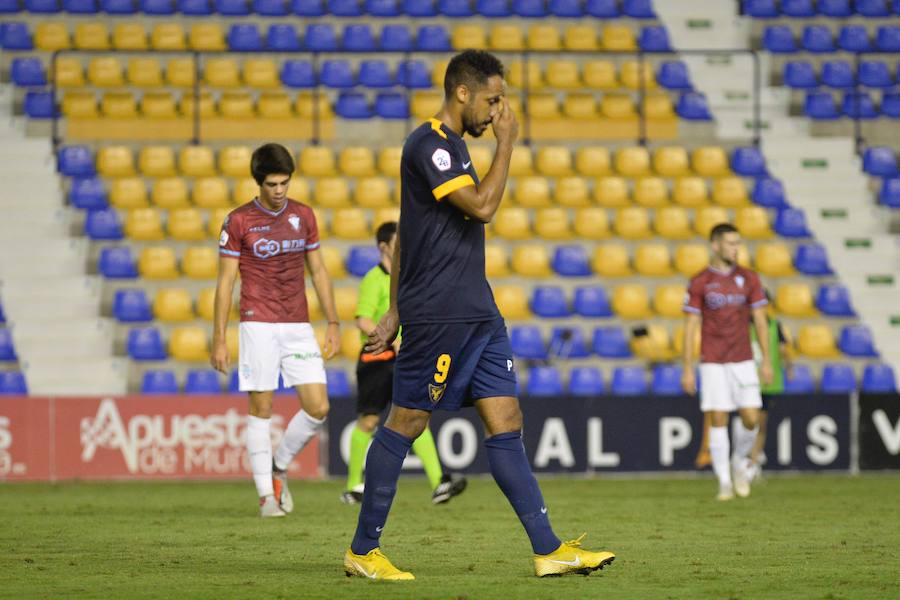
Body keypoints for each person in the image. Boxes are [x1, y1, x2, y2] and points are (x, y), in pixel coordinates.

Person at [342, 50, 615, 581]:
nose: (497, 111)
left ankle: (548, 548)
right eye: (492, 99)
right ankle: (362, 549)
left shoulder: (456, 150)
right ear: (461, 93)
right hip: (441, 313)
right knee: (406, 422)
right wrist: (509, 143)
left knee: (506, 420)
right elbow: (484, 206)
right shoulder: (429, 145)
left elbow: (407, 239)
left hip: (479, 312)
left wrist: (395, 304)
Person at [211, 143, 341, 518]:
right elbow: (225, 282)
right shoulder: (238, 221)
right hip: (258, 323)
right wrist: (219, 338)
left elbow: (318, 270)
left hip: (298, 323)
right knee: (261, 407)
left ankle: (278, 466)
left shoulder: (304, 215)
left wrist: (332, 321)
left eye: (285, 182)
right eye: (272, 184)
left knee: (318, 407)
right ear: (259, 182)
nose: (280, 190)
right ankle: (266, 496)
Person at [344, 220, 467, 506]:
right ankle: (353, 485)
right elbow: (362, 318)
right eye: (397, 241)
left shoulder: (407, 277)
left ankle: (439, 483)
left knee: (415, 416)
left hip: (406, 358)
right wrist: (389, 338)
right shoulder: (374, 279)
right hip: (377, 357)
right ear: (383, 247)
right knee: (370, 420)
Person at [681, 223, 773, 501]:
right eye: (731, 243)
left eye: (738, 243)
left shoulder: (750, 278)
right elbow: (690, 327)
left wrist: (767, 360)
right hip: (713, 361)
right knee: (718, 418)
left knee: (751, 417)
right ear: (716, 245)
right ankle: (723, 481)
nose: (736, 248)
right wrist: (687, 368)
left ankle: (739, 461)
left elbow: (760, 320)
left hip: (743, 359)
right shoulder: (700, 281)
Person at [748, 291, 793, 478]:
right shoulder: (746, 326)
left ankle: (752, 460)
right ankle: (749, 458)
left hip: (765, 382)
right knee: (754, 422)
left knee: (759, 423)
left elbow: (783, 351)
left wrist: (788, 367)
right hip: (749, 381)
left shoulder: (775, 326)